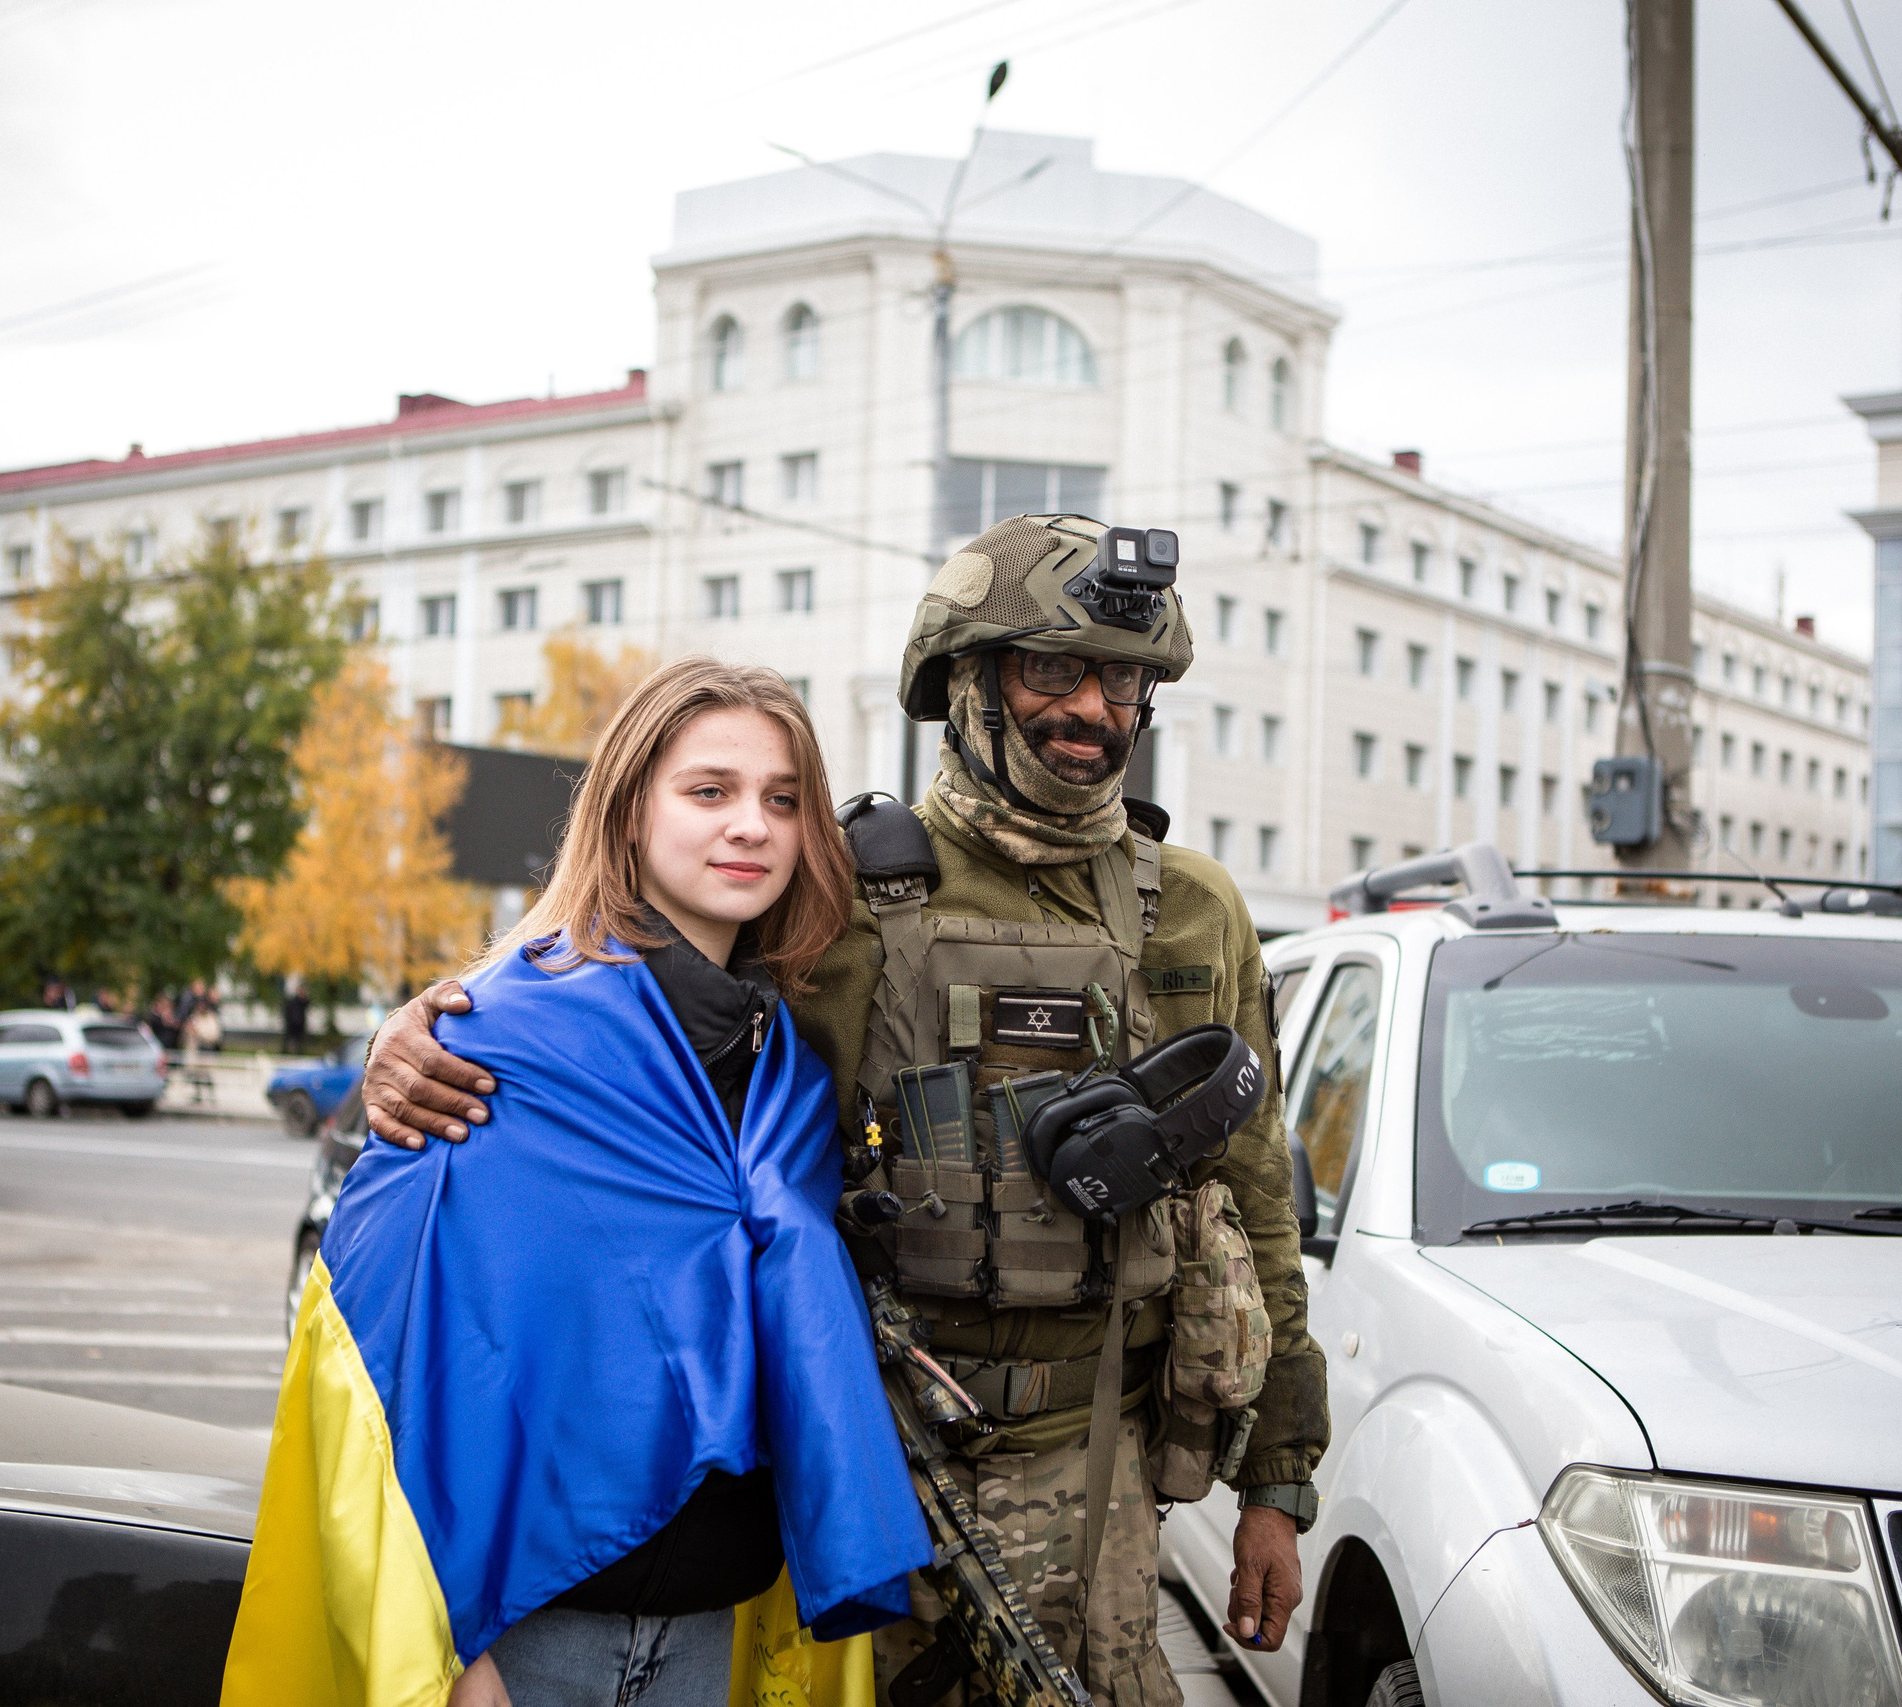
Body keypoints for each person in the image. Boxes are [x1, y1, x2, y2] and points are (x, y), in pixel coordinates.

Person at [364, 515, 1327, 1706]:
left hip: (1113, 1485)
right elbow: (629, 985)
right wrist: (419, 1030)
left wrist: (1277, 1485)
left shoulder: (1197, 909)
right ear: (964, 683)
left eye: (1122, 678)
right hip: (882, 1483)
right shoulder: (838, 889)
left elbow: (1255, 1205)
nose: (1091, 706)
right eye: (1052, 669)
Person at [224, 658, 927, 1707]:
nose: (752, 826)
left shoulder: (789, 1070)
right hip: (531, 1635)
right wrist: (450, 1659)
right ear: (629, 812)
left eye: (784, 801)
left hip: (711, 1634)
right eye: (709, 791)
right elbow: (381, 1353)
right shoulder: (498, 1036)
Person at [279, 977, 309, 1056]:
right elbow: (288, 1010)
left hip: (299, 1023)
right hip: (292, 1023)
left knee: (298, 1040)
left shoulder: (303, 1001)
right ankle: (285, 1052)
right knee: (289, 1038)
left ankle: (297, 1052)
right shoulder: (292, 1001)